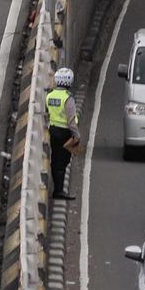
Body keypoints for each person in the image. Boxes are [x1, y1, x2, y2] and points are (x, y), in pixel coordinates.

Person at [46, 67, 81, 200]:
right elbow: (71, 120)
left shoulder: (50, 95)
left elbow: (47, 113)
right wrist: (76, 135)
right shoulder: (67, 98)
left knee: (55, 159)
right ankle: (59, 191)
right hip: (65, 133)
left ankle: (58, 189)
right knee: (63, 161)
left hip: (53, 130)